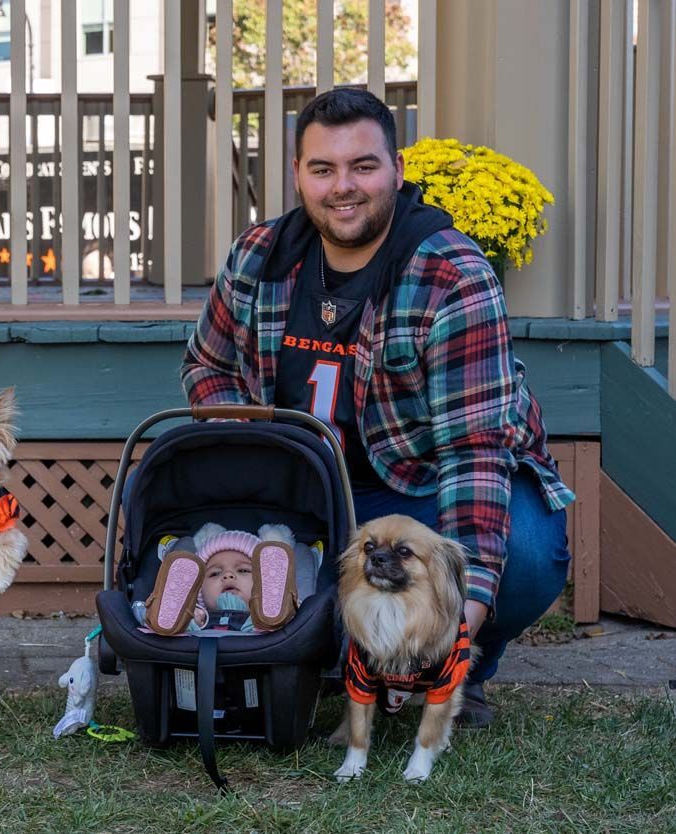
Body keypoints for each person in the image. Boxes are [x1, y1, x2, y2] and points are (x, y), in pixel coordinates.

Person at [182, 88, 575, 726]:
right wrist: (251, 451)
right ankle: (320, 656)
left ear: (397, 168)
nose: (343, 187)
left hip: (422, 488)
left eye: (363, 166)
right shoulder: (259, 254)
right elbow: (209, 365)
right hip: (308, 490)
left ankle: (459, 670)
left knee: (527, 550)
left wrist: (462, 626)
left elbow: (473, 454)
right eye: (323, 168)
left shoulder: (451, 273)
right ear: (298, 175)